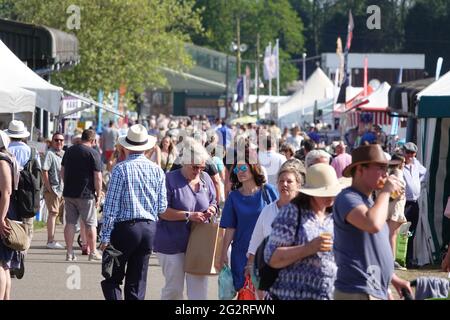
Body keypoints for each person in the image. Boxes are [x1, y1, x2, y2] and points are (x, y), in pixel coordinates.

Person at [333, 144, 412, 300]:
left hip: (372, 289)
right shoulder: (347, 198)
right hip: (355, 291)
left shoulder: (368, 202)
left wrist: (392, 278)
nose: (386, 174)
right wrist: (387, 191)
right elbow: (372, 224)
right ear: (360, 170)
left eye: (386, 169)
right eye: (381, 168)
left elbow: (372, 248)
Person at [99, 124, 167, 300]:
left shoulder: (121, 169)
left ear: (126, 147)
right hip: (149, 228)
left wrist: (105, 236)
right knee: (137, 282)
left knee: (112, 277)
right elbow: (162, 207)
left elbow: (111, 206)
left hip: (125, 228)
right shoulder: (157, 170)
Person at [264, 164, 342, 300]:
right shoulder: (292, 212)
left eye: (333, 191)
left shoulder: (332, 215)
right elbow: (272, 257)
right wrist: (309, 248)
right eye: (325, 192)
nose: (331, 195)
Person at [153, 137, 217, 300]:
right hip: (171, 242)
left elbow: (214, 201)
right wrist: (189, 215)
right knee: (174, 289)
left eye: (202, 167)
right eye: (195, 167)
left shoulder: (205, 178)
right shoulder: (169, 179)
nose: (199, 171)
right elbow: (161, 211)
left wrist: (211, 209)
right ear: (185, 162)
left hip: (199, 243)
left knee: (199, 291)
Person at [219, 150, 278, 292]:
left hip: (266, 251)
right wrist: (222, 254)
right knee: (245, 291)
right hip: (240, 253)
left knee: (266, 291)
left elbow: (281, 217)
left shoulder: (268, 191)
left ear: (253, 168)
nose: (240, 172)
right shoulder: (233, 197)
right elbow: (230, 228)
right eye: (237, 169)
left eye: (244, 168)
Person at [246, 164, 303, 299]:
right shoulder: (267, 211)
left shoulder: (305, 212)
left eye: (289, 181)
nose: (284, 184)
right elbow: (255, 245)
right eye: (281, 181)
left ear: (298, 185)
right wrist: (254, 278)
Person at [61, 129, 103, 262]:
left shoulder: (69, 151)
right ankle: (93, 252)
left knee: (70, 223)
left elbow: (62, 170)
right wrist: (98, 192)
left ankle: (69, 252)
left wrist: (66, 183)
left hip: (69, 192)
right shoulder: (93, 153)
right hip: (86, 193)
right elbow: (98, 176)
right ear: (93, 140)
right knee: (91, 223)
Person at [5, 120, 42, 243]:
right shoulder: (32, 151)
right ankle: (23, 251)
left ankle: (10, 251)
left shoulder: (5, 150)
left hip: (8, 191)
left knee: (8, 222)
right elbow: (38, 174)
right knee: (27, 226)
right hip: (27, 193)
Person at [0, 131, 20, 299]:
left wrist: (1, 218)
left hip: (3, 212)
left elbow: (6, 192)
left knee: (0, 263)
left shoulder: (2, 161)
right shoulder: (9, 158)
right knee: (5, 264)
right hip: (8, 211)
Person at [402, 142, 427, 268]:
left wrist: (418, 182)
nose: (410, 155)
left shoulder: (416, 163)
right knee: (403, 232)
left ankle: (409, 259)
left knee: (411, 233)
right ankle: (402, 259)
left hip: (414, 204)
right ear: (404, 153)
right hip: (404, 204)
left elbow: (425, 173)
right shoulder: (400, 166)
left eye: (412, 153)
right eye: (408, 153)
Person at [42, 132, 65, 249]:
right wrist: (49, 187)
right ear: (52, 141)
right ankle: (50, 240)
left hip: (62, 189)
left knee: (59, 215)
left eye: (61, 140)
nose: (59, 142)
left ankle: (54, 240)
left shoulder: (63, 154)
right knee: (53, 213)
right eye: (56, 140)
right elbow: (44, 170)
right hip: (54, 189)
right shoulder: (49, 154)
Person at [386, 153, 408, 270]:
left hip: (390, 206)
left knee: (391, 234)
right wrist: (397, 194)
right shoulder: (398, 173)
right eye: (403, 162)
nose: (404, 164)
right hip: (395, 206)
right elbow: (397, 190)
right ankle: (392, 260)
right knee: (393, 235)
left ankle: (390, 259)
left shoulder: (389, 172)